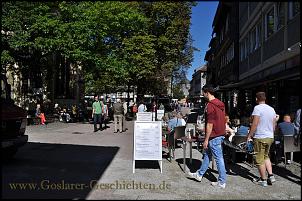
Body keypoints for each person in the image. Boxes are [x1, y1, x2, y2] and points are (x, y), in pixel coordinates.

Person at [187, 84, 227, 189]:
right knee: (207, 156)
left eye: (203, 93)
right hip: (220, 133)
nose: (203, 95)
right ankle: (199, 174)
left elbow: (210, 124)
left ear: (207, 92)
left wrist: (206, 139)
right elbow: (225, 118)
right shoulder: (221, 103)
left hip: (214, 136)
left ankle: (222, 182)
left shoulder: (210, 105)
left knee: (218, 158)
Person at [246, 91, 277, 187]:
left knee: (259, 159)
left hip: (260, 136)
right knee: (266, 156)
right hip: (270, 136)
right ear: (265, 98)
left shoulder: (257, 108)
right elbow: (274, 124)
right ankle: (271, 176)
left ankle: (263, 180)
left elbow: (255, 123)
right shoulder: (272, 109)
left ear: (256, 99)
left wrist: (249, 135)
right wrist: (272, 133)